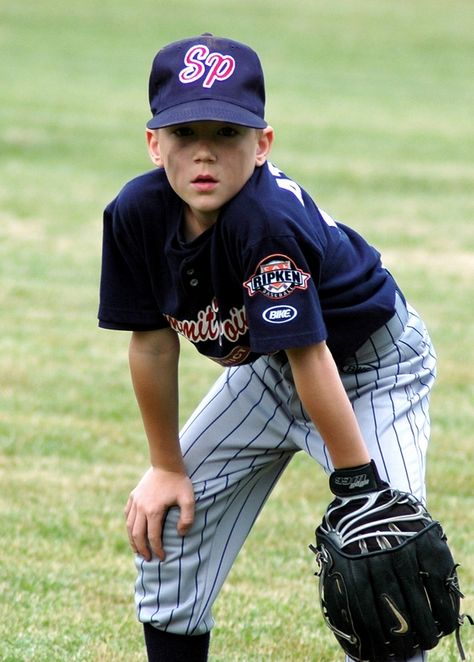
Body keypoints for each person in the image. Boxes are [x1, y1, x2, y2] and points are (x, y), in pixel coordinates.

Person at [98, 33, 437, 661]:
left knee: (384, 560)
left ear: (262, 145)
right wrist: (167, 466)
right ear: (153, 144)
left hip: (372, 368)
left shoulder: (266, 222)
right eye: (183, 133)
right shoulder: (134, 216)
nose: (204, 152)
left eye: (226, 133)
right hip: (265, 373)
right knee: (170, 527)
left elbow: (313, 354)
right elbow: (151, 346)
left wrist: (359, 483)